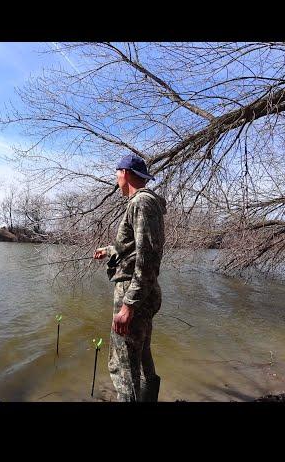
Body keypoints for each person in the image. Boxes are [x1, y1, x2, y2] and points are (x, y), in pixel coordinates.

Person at [94, 154, 166, 402]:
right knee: (141, 356)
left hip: (133, 293)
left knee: (123, 367)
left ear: (124, 173)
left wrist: (128, 305)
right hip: (142, 292)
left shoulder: (141, 203)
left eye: (117, 173)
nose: (116, 179)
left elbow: (148, 259)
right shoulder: (145, 203)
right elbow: (136, 248)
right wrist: (110, 250)